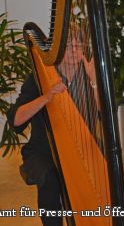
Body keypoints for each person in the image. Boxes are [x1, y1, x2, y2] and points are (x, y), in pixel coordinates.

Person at [7, 76, 66, 226]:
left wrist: (94, 81)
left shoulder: (87, 77)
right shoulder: (39, 78)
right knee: (48, 178)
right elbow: (16, 120)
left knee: (105, 169)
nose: (74, 51)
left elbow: (102, 114)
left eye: (78, 49)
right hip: (41, 150)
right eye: (68, 50)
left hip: (82, 148)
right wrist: (46, 97)